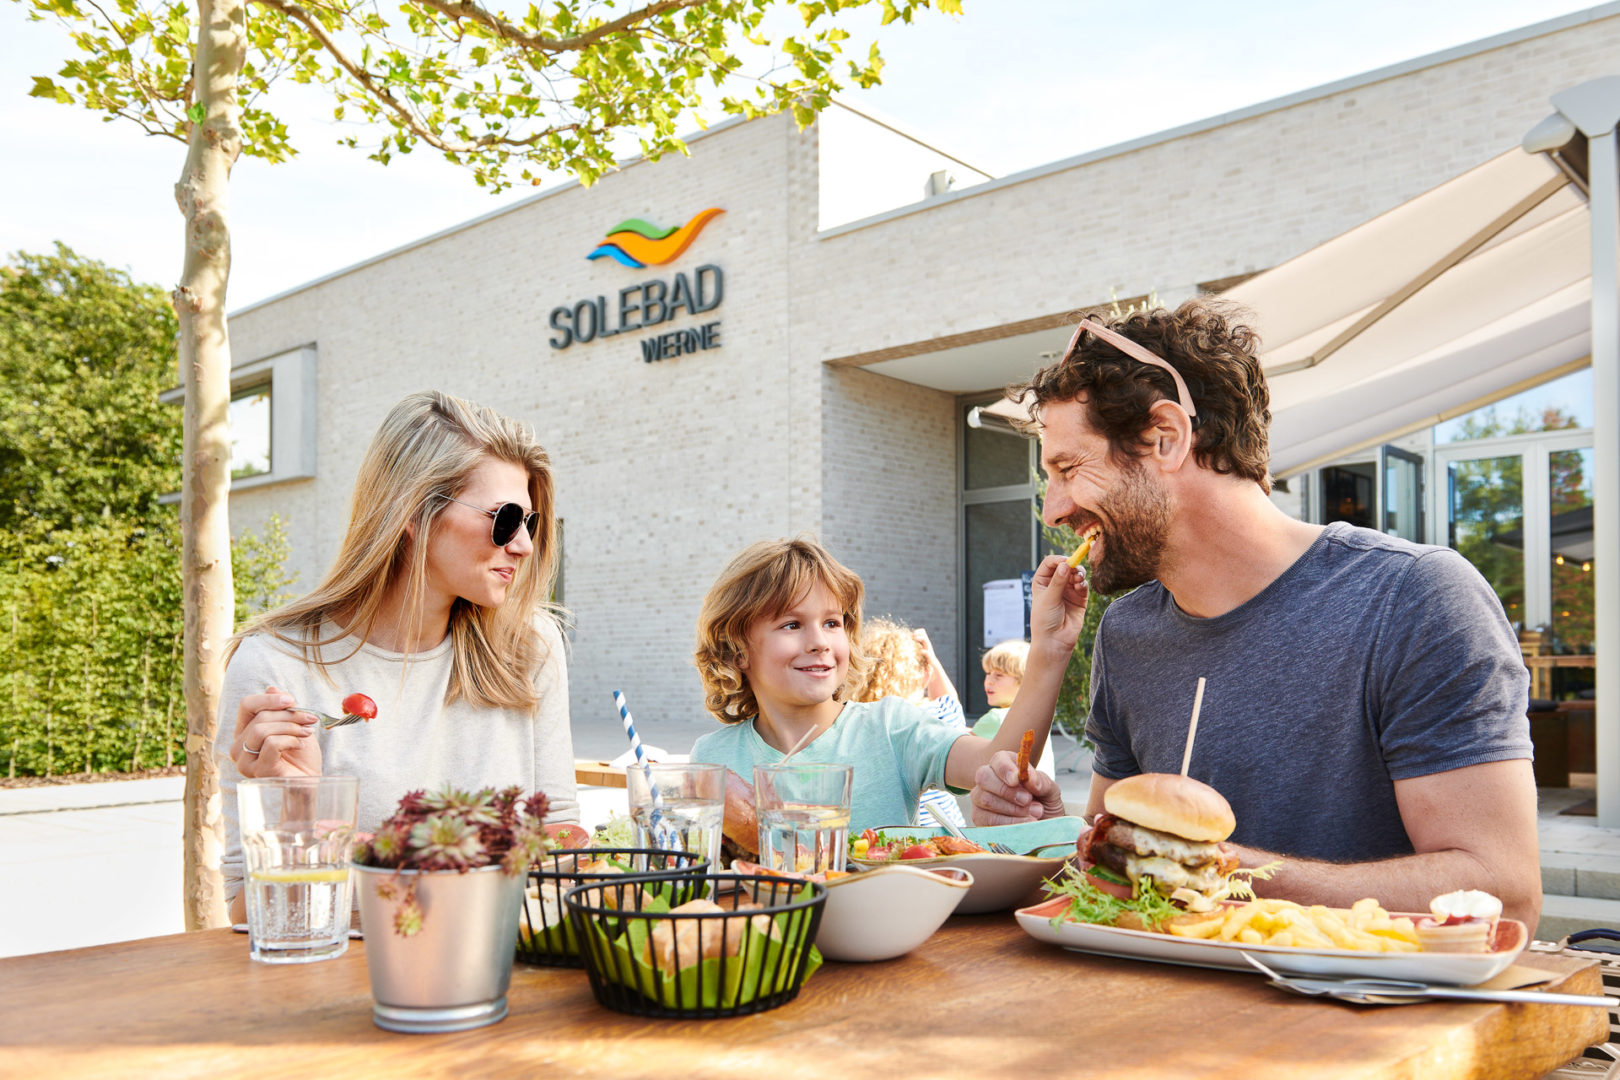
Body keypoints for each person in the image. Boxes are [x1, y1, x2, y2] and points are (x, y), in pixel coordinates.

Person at [970, 300, 1541, 930]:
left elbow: (1503, 892)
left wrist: (1222, 875)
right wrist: (1056, 837)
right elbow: (1123, 884)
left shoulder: (1414, 598)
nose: (1053, 510)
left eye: (1069, 469)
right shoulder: (1128, 632)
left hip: (1365, 1017)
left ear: (1167, 437)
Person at [217, 391, 579, 922]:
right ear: (413, 513)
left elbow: (562, 843)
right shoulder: (277, 667)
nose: (522, 545)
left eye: (531, 523)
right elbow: (248, 912)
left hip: (502, 974)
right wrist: (302, 809)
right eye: (505, 520)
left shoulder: (530, 646)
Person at [689, 537, 1072, 834]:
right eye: (792, 624)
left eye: (832, 623)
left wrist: (1049, 649)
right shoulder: (712, 758)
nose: (820, 641)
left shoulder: (892, 728)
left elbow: (1000, 762)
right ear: (737, 650)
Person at [847, 616, 969, 827]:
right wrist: (932, 660)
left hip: (891, 841)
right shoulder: (936, 714)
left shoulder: (859, 723)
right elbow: (950, 701)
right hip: (950, 837)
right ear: (924, 674)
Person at [970, 639, 1055, 780]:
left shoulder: (995, 718)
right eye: (988, 673)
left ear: (1025, 681)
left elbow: (961, 746)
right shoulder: (1037, 716)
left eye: (999, 675)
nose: (989, 681)